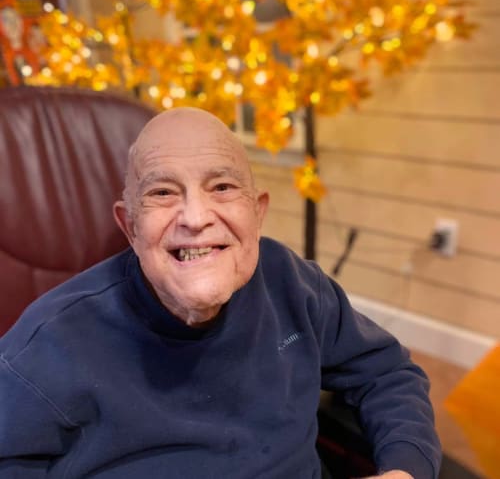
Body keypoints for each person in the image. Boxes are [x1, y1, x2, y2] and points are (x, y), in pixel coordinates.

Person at [0, 107, 441, 478]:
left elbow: (388, 374)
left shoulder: (294, 284)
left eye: (222, 187)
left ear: (257, 212)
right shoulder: (48, 345)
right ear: (130, 227)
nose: (195, 217)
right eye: (163, 192)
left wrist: (404, 468)